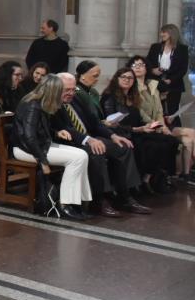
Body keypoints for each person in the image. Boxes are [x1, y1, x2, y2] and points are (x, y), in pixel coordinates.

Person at [51, 73, 150, 216]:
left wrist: (113, 135)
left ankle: (124, 196)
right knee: (96, 152)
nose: (71, 93)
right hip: (69, 142)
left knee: (123, 146)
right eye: (67, 90)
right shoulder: (52, 102)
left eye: (73, 89)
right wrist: (88, 139)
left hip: (89, 137)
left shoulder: (76, 98)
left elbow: (94, 122)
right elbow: (64, 128)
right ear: (56, 87)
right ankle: (99, 200)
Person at [11, 75, 92, 219]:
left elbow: (40, 129)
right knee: (77, 158)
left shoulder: (40, 102)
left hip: (40, 146)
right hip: (26, 150)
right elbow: (29, 138)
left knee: (82, 154)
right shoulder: (33, 105)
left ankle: (78, 201)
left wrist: (56, 132)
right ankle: (65, 205)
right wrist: (43, 162)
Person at [99, 66, 179, 191]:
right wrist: (138, 129)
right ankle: (142, 181)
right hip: (124, 133)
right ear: (117, 79)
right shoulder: (109, 96)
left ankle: (154, 177)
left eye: (130, 78)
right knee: (154, 146)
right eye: (123, 77)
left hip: (138, 130)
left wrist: (152, 126)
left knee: (171, 140)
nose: (127, 80)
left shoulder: (133, 96)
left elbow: (141, 117)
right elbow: (111, 123)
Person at [129, 55, 195, 184]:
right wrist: (159, 126)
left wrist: (163, 125)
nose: (137, 67)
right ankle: (170, 175)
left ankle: (185, 175)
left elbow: (159, 110)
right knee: (180, 139)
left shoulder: (152, 85)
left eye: (141, 64)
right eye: (134, 65)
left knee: (190, 136)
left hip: (160, 123)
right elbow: (140, 112)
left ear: (146, 68)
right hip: (146, 126)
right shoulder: (132, 88)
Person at [147, 23, 189, 124]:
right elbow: (147, 63)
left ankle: (174, 130)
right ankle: (157, 130)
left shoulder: (182, 49)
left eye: (164, 32)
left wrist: (171, 80)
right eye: (161, 32)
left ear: (171, 33)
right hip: (155, 83)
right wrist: (152, 70)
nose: (161, 34)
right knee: (156, 110)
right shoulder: (155, 47)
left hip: (173, 84)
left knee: (172, 111)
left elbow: (183, 69)